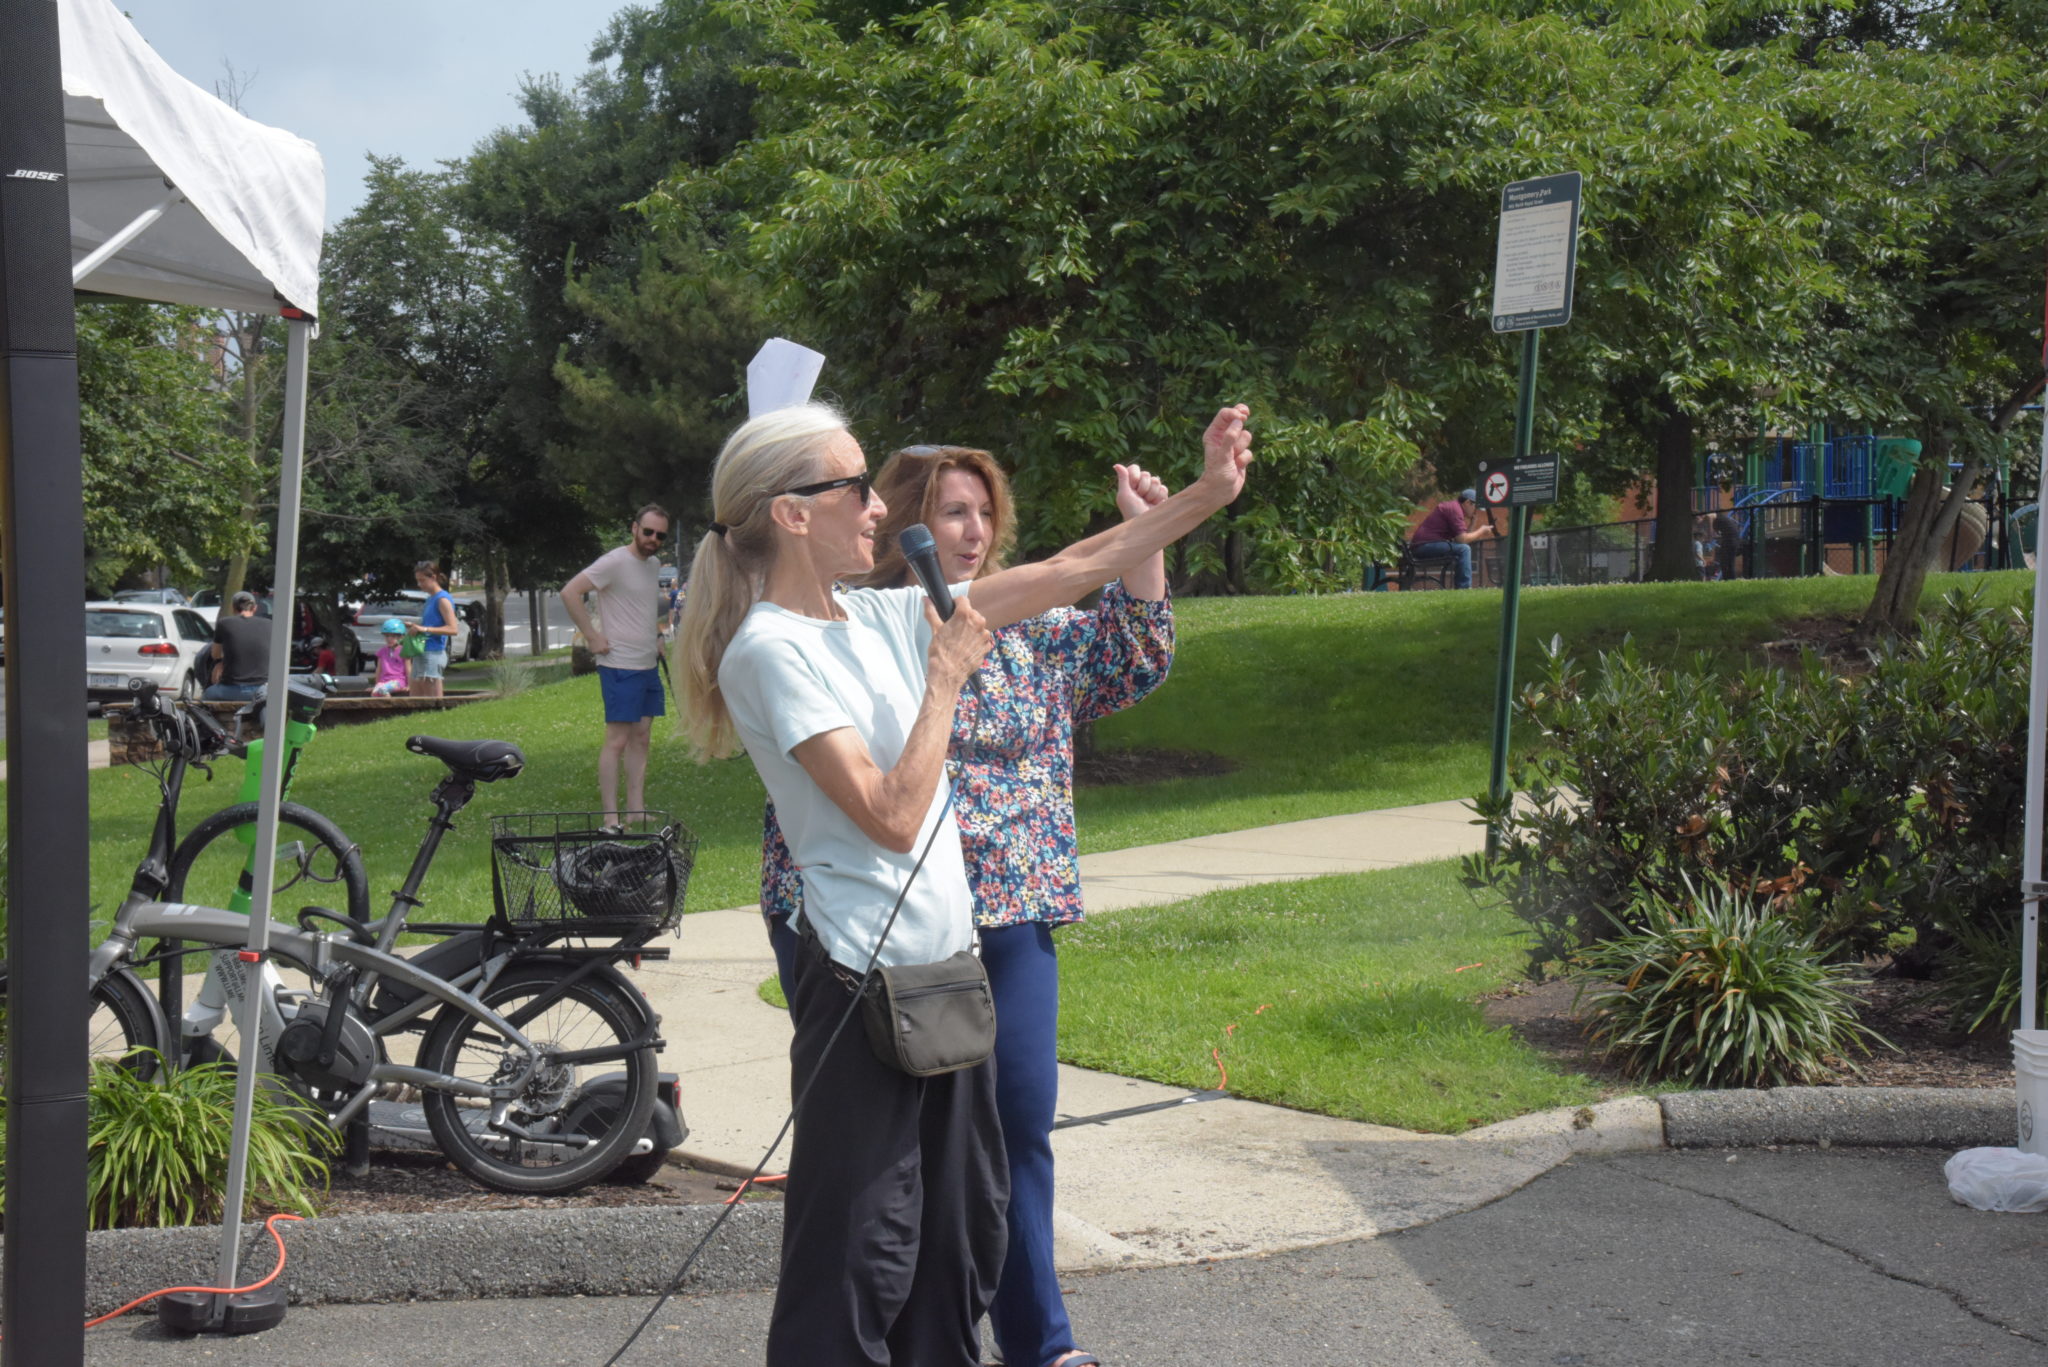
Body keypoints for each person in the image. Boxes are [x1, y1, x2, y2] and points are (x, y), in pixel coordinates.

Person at [675, 401, 1252, 1367]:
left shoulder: (878, 612)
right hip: (861, 981)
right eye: (855, 486)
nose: (873, 507)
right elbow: (892, 816)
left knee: (954, 1241)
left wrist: (1204, 495)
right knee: (859, 1257)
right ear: (789, 513)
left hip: (945, 972)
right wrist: (945, 677)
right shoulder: (769, 652)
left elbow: (1070, 570)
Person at [757, 443, 1171, 1367]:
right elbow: (841, 787)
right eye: (951, 511)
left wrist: (1155, 527)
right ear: (905, 522)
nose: (974, 529)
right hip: (880, 932)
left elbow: (1131, 649)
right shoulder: (869, 628)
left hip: (1010, 911)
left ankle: (1039, 1344)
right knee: (879, 1170)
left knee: (1013, 1123)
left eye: (984, 511)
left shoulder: (1030, 631)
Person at [560, 504, 673, 831]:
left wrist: (656, 635)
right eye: (648, 531)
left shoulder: (652, 565)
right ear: (634, 528)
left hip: (647, 663)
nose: (653, 539)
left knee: (642, 737)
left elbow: (644, 606)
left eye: (660, 535)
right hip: (619, 665)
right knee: (617, 741)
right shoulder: (614, 562)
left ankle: (635, 811)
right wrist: (592, 636)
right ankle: (610, 817)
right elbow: (570, 592)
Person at [1409, 488, 1496, 589]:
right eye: (1475, 507)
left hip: (1423, 545)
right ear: (1468, 503)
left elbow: (1462, 539)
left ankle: (1462, 586)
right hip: (1423, 546)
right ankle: (1464, 588)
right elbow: (1462, 539)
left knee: (1463, 548)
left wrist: (1472, 524)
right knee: (1464, 549)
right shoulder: (1455, 510)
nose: (1476, 511)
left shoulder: (1454, 507)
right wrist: (1481, 531)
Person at [407, 561, 461, 700]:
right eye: (417, 581)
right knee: (415, 697)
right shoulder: (430, 599)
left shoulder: (442, 599)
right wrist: (415, 628)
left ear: (434, 577)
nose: (419, 585)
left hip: (433, 653)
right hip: (421, 650)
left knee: (433, 700)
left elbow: (453, 629)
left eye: (422, 580)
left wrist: (424, 629)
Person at [204, 590, 271, 701]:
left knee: (207, 694)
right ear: (254, 608)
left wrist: (221, 663)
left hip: (231, 690)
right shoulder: (269, 624)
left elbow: (215, 654)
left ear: (233, 608)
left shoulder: (224, 623)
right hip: (261, 690)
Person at [371, 618, 410, 696]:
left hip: (398, 681)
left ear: (401, 637)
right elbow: (379, 669)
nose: (389, 639)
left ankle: (389, 705)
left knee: (382, 690)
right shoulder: (382, 651)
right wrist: (377, 683)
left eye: (393, 636)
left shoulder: (404, 651)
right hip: (383, 681)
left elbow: (408, 669)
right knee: (374, 693)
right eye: (387, 636)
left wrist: (409, 685)